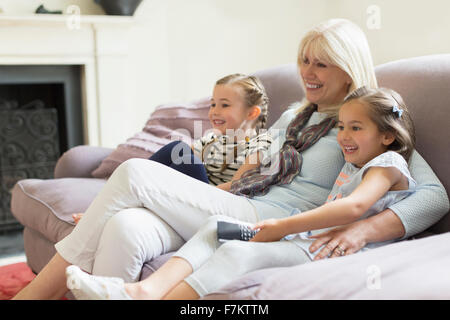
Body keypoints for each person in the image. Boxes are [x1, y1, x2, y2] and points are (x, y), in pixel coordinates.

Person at [13, 18, 448, 300]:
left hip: (277, 217)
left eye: (323, 65)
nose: (308, 73)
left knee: (134, 173)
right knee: (126, 225)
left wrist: (365, 228)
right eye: (304, 61)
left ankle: (36, 296)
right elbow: (252, 165)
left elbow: (433, 198)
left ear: (349, 69)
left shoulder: (365, 122)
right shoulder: (298, 114)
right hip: (241, 204)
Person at [64, 86, 418, 299]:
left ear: (388, 135)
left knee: (237, 254)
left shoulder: (387, 163)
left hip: (319, 250)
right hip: (301, 236)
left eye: (355, 128)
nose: (343, 136)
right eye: (341, 126)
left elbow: (355, 207)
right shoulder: (352, 161)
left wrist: (283, 226)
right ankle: (146, 291)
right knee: (218, 224)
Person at [71, 73, 272, 224]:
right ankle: (111, 206)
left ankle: (107, 208)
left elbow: (237, 187)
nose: (214, 112)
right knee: (175, 155)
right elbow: (180, 163)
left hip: (217, 203)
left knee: (178, 150)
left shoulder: (260, 144)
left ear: (252, 113)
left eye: (224, 105)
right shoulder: (213, 139)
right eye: (213, 104)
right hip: (199, 195)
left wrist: (191, 192)